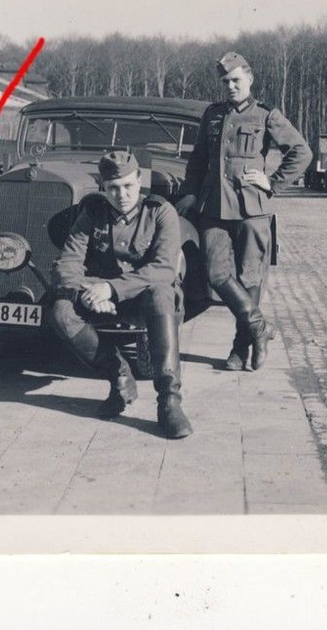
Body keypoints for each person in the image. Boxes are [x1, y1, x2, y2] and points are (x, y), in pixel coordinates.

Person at [176, 51, 312, 371]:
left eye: (236, 80)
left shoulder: (266, 114)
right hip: (213, 207)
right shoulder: (212, 114)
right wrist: (191, 193)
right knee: (215, 274)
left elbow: (301, 152)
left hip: (252, 208)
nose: (231, 86)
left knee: (251, 278)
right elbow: (198, 160)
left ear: (249, 79)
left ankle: (240, 348)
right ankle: (260, 327)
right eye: (226, 81)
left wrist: (272, 183)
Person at [49, 151, 192, 439]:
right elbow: (69, 261)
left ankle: (169, 402)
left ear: (139, 180)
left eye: (128, 186)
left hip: (145, 297)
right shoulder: (93, 213)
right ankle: (120, 377)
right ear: (103, 187)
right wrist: (87, 292)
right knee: (61, 312)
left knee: (162, 295)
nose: (121, 195)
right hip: (101, 296)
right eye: (113, 188)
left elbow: (163, 269)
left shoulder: (160, 211)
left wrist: (112, 290)